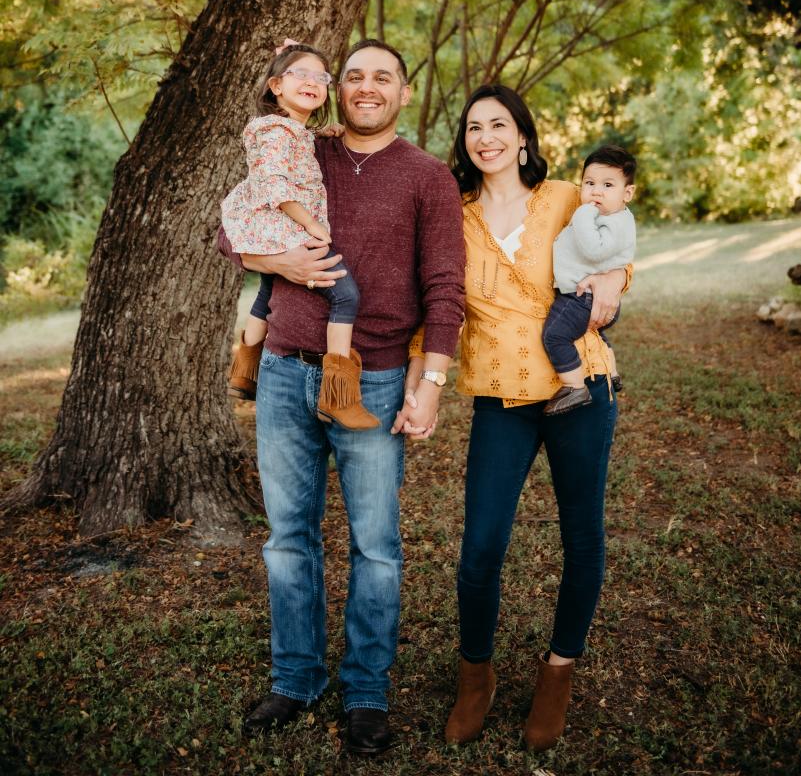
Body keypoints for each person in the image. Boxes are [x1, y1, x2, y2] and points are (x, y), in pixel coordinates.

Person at [220, 39, 464, 756]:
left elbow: (445, 287)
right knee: (288, 540)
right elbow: (227, 233)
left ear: (404, 92)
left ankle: (365, 691)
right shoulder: (302, 147)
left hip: (379, 378)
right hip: (285, 372)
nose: (365, 87)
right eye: (353, 76)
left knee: (376, 547)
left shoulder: (427, 177)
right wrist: (274, 258)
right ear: (335, 90)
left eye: (381, 77)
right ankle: (295, 678)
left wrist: (433, 381)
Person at [434, 85, 629, 753]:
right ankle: (474, 679)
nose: (484, 136)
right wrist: (422, 380)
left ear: (522, 135)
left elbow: (615, 247)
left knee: (582, 537)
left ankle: (557, 675)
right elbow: (436, 297)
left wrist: (615, 281)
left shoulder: (566, 197)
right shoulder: (451, 215)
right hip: (500, 394)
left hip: (579, 383)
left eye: (498, 124)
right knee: (480, 548)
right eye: (472, 127)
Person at [221, 43, 377, 430]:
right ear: (275, 85)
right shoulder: (275, 131)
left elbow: (295, 144)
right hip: (284, 223)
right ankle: (338, 394)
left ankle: (245, 370)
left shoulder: (289, 129)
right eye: (299, 74)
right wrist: (311, 224)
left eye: (320, 78)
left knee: (267, 288)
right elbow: (276, 185)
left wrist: (326, 131)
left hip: (266, 226)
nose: (311, 82)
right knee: (345, 294)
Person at [541, 144, 637, 415]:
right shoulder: (610, 215)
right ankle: (612, 369)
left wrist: (583, 213)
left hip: (581, 296)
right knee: (595, 333)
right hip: (590, 299)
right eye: (590, 183)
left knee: (554, 336)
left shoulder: (611, 221)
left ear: (627, 193)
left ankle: (574, 386)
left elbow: (594, 250)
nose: (596, 191)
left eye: (608, 185)